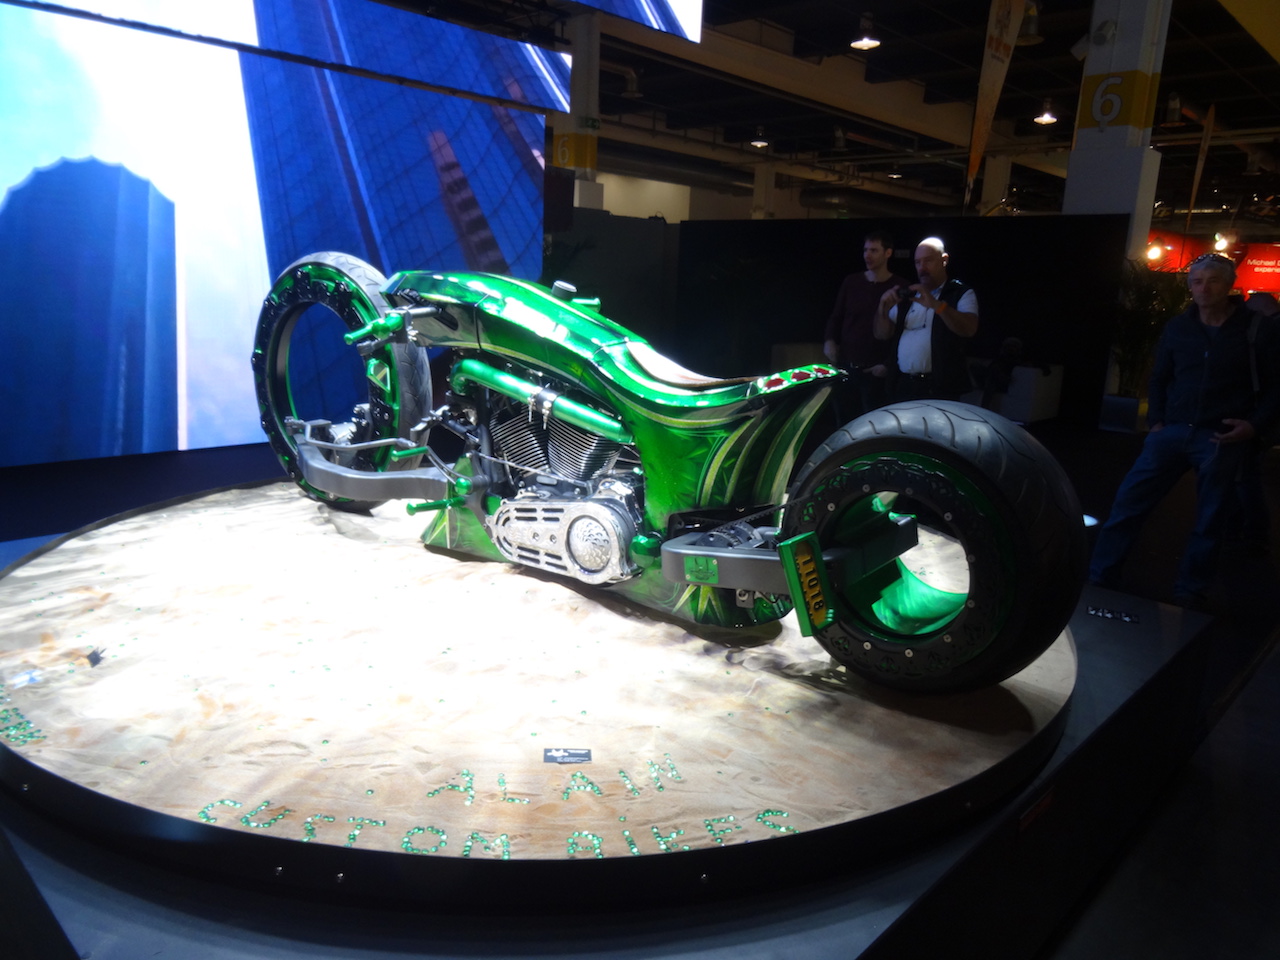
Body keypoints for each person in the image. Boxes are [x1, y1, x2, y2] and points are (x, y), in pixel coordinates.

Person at [1089, 253, 1280, 608]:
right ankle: (1101, 575)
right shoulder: (1179, 326)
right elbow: (1160, 376)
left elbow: (1275, 386)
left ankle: (1190, 591)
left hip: (1220, 436)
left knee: (1210, 519)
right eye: (1197, 281)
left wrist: (1253, 426)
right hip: (1173, 432)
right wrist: (1157, 422)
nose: (1203, 288)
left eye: (1212, 281)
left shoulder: (1256, 329)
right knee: (1128, 506)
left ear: (1230, 285)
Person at [873, 236, 979, 401]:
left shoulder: (960, 293)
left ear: (944, 260)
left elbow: (969, 329)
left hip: (941, 387)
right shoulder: (908, 295)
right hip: (904, 384)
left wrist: (937, 306)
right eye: (918, 262)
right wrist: (882, 308)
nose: (922, 268)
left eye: (928, 261)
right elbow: (881, 334)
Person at [822, 231, 907, 418]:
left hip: (876, 372)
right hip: (848, 367)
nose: (867, 255)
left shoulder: (899, 286)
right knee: (844, 421)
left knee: (874, 424)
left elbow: (903, 333)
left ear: (888, 253)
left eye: (874, 250)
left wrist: (888, 364)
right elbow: (836, 316)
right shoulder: (852, 282)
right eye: (865, 250)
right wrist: (829, 340)